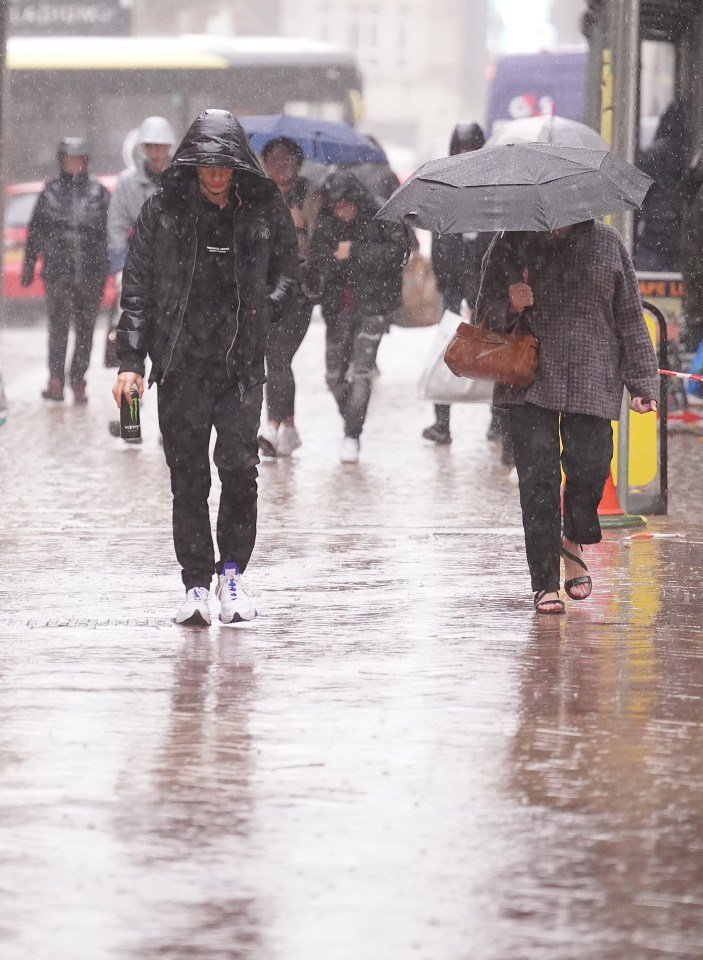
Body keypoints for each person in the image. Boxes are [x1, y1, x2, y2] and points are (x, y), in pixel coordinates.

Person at [112, 109, 299, 626]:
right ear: (192, 166)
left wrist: (265, 305)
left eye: (224, 167)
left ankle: (232, 574)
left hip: (240, 365)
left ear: (237, 166)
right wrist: (130, 361)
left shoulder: (264, 209)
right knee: (188, 478)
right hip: (180, 363)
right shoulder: (163, 211)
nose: (215, 177)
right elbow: (138, 291)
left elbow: (289, 273)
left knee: (239, 471)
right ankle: (195, 583)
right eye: (206, 167)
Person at [475, 221, 659, 615]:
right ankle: (544, 583)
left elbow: (629, 315)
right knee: (538, 480)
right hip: (528, 378)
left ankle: (572, 538)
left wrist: (643, 381)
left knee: (591, 467)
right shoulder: (512, 240)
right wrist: (509, 304)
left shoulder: (607, 244)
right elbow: (483, 317)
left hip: (590, 375)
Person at [305, 170, 410, 463]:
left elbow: (398, 253)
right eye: (336, 206)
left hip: (373, 307)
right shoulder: (327, 225)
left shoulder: (381, 215)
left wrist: (356, 252)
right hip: (338, 310)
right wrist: (330, 263)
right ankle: (352, 421)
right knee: (334, 376)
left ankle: (352, 435)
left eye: (345, 205)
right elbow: (317, 263)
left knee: (361, 373)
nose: (341, 212)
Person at [423, 122, 500, 449]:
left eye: (471, 148)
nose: (465, 154)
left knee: (496, 353)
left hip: (486, 283)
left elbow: (495, 241)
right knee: (448, 351)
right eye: (460, 148)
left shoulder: (493, 190)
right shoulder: (445, 189)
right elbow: (440, 244)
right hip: (453, 285)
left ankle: (498, 421)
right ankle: (442, 423)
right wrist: (447, 286)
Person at [22, 137, 110, 403]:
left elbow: (111, 233)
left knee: (85, 331)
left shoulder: (99, 193)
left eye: (79, 160)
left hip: (91, 272)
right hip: (58, 272)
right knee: (58, 329)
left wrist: (111, 267)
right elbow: (35, 231)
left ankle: (78, 378)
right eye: (70, 159)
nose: (74, 165)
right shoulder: (49, 192)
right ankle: (56, 379)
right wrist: (29, 266)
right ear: (62, 161)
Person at [257, 136, 319, 457]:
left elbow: (322, 240)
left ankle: (275, 426)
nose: (280, 165)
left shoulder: (309, 195)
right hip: (267, 289)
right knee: (276, 358)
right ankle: (285, 426)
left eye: (287, 159)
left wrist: (302, 225)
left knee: (279, 356)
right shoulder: (257, 196)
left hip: (300, 292)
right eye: (274, 159)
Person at [107, 115, 177, 274]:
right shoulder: (127, 183)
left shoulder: (184, 180)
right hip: (139, 265)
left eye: (160, 146)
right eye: (150, 146)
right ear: (143, 148)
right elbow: (116, 226)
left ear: (169, 147)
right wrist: (119, 268)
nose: (155, 153)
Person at [634, 101, 686, 273]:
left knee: (646, 282)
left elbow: (641, 194)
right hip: (678, 233)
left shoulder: (653, 154)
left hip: (653, 234)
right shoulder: (686, 154)